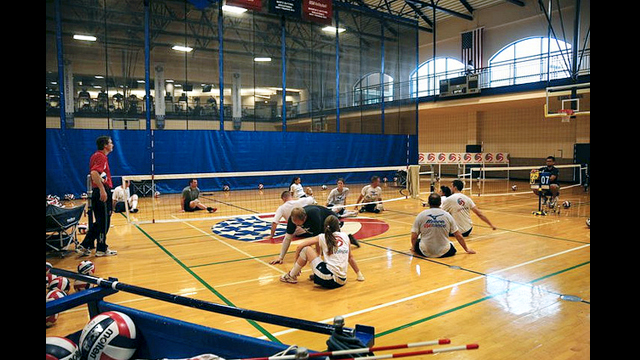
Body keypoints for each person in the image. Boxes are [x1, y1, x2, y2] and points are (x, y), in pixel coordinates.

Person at [280, 215, 365, 287]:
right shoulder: (345, 236)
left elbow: (299, 246)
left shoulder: (322, 237)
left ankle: (291, 276)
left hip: (329, 278)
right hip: (342, 280)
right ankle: (317, 274)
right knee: (323, 259)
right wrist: (359, 274)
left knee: (306, 249)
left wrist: (295, 264)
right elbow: (350, 258)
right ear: (338, 226)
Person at [269, 205, 359, 265]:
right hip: (319, 222)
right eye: (295, 223)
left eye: (298, 224)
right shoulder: (292, 219)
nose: (296, 226)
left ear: (304, 218)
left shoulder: (314, 217)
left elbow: (318, 239)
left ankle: (349, 239)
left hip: (329, 219)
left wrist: (317, 258)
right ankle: (349, 238)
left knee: (334, 246)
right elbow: (287, 238)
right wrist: (281, 257)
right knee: (326, 248)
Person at [77, 136, 117, 257]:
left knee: (101, 221)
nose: (112, 145)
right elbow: (94, 173)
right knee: (103, 222)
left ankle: (85, 245)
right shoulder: (100, 156)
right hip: (101, 191)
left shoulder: (96, 156)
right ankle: (101, 249)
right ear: (105, 145)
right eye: (110, 143)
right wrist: (102, 190)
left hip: (100, 191)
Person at [411, 193, 475, 258]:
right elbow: (458, 235)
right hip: (444, 252)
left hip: (425, 251)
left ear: (429, 203)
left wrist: (413, 248)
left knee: (418, 240)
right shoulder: (448, 216)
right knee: (451, 245)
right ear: (440, 203)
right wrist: (466, 249)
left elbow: (414, 236)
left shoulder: (421, 215)